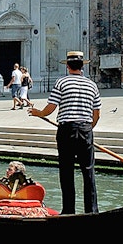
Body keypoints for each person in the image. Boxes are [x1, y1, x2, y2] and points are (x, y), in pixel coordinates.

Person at [29, 50, 101, 214]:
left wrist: (37, 112)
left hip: (66, 130)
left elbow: (50, 108)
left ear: (67, 66)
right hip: (85, 130)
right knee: (88, 172)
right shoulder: (92, 85)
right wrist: (88, 129)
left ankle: (69, 211)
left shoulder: (61, 83)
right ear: (82, 66)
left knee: (67, 172)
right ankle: (92, 212)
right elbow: (97, 114)